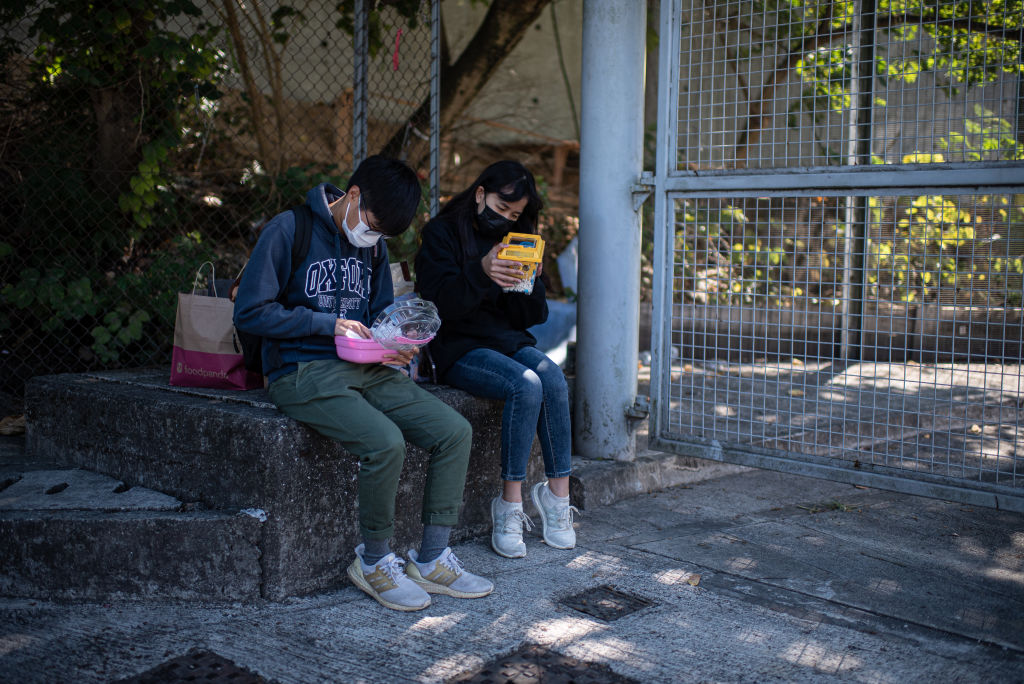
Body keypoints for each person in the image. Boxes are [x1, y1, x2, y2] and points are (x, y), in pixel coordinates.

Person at [233, 155, 493, 611]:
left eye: (384, 233)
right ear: (351, 196)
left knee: (454, 431)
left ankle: (432, 560)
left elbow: (378, 317)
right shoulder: (289, 229)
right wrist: (326, 323)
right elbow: (250, 311)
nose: (373, 236)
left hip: (365, 365)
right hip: (299, 369)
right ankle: (374, 562)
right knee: (385, 442)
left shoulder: (373, 245)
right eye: (373, 224)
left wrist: (395, 344)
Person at [415, 160, 578, 559]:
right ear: (479, 193)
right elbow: (439, 306)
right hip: (455, 347)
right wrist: (483, 270)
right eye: (500, 209)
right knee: (525, 383)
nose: (504, 219)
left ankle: (558, 498)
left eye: (514, 215)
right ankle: (509, 504)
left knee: (551, 376)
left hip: (504, 341)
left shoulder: (517, 239)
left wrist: (530, 283)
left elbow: (531, 319)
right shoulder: (441, 233)